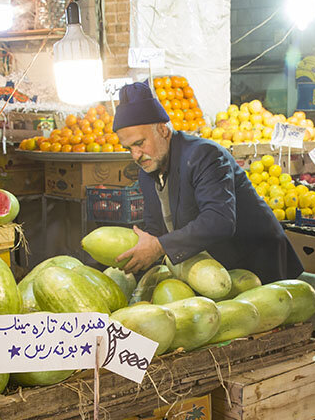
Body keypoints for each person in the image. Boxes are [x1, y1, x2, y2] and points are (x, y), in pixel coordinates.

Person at [112, 80, 303, 282]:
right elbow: (155, 228)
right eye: (128, 148)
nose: (135, 155)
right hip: (217, 271)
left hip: (259, 263)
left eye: (139, 143)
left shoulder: (204, 155)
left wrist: (159, 246)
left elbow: (219, 220)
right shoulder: (147, 171)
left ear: (162, 130)